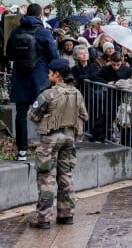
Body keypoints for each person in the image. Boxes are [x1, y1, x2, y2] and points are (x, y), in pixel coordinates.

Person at [28, 59, 88, 229]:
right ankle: (66, 214)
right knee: (66, 175)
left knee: (46, 177)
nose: (48, 75)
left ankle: (43, 218)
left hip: (50, 139)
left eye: (50, 73)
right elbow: (84, 115)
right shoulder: (77, 93)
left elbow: (32, 115)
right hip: (69, 138)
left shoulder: (48, 94)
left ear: (57, 75)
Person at [8, 3, 59, 161]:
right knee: (45, 112)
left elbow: (9, 53)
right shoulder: (44, 32)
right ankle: (46, 147)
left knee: (21, 114)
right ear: (40, 16)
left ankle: (22, 151)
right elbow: (54, 56)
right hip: (40, 79)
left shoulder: (16, 31)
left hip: (20, 78)